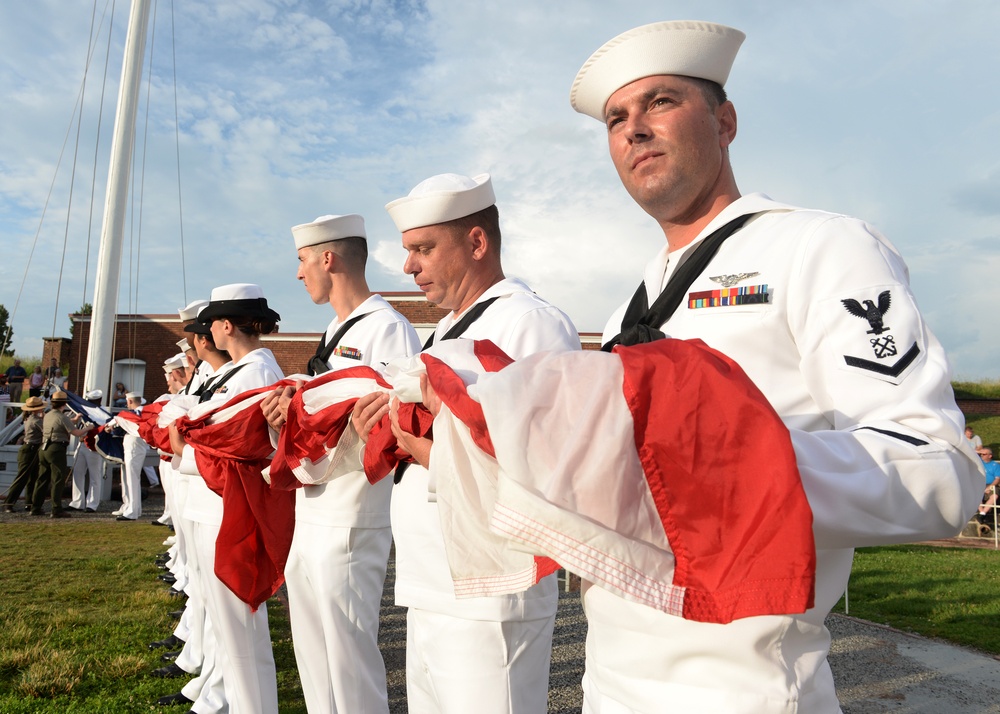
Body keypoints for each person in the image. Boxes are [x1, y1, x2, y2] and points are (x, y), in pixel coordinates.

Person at [539, 20, 982, 712]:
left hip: (742, 689)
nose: (633, 129)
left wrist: (709, 465)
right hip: (609, 680)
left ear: (725, 121)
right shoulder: (635, 300)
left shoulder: (819, 246)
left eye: (660, 102)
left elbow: (938, 470)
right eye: (616, 119)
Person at [352, 173, 580, 713]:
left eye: (423, 249)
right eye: (409, 251)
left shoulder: (530, 323)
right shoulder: (445, 331)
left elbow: (548, 465)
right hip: (432, 580)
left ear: (477, 243)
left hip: (493, 592)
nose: (409, 266)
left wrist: (422, 446)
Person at [260, 212, 421, 714]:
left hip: (352, 514)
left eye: (303, 260)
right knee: (314, 658)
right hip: (312, 510)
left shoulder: (386, 329)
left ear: (328, 259)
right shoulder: (335, 332)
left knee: (350, 664)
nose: (299, 272)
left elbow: (388, 430)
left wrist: (311, 414)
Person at [169, 282, 284, 714]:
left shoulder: (257, 372)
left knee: (241, 635)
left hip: (229, 507)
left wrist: (187, 446)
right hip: (210, 500)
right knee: (225, 627)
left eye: (210, 324)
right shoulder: (236, 371)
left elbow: (246, 445)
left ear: (225, 326)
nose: (205, 334)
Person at [30, 390, 89, 517]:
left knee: (42, 479)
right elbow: (76, 433)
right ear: (64, 404)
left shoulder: (49, 414)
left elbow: (64, 423)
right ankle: (56, 509)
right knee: (58, 479)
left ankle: (35, 507)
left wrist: (75, 419)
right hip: (56, 449)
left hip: (44, 448)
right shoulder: (61, 416)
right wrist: (89, 428)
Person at [3, 395, 46, 512]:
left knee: (32, 477)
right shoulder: (36, 420)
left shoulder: (29, 418)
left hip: (30, 448)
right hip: (31, 449)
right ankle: (9, 502)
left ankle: (29, 502)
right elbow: (47, 430)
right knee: (23, 477)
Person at [111, 392, 149, 521]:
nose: (127, 405)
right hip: (132, 444)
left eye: (127, 402)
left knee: (132, 478)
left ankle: (132, 510)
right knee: (130, 478)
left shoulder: (139, 412)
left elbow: (135, 420)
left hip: (134, 444)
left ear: (130, 401)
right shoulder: (135, 413)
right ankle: (133, 508)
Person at [67, 389, 106, 513]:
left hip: (94, 447)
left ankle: (92, 504)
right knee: (77, 473)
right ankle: (77, 502)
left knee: (95, 476)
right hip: (82, 444)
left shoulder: (101, 414)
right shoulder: (84, 411)